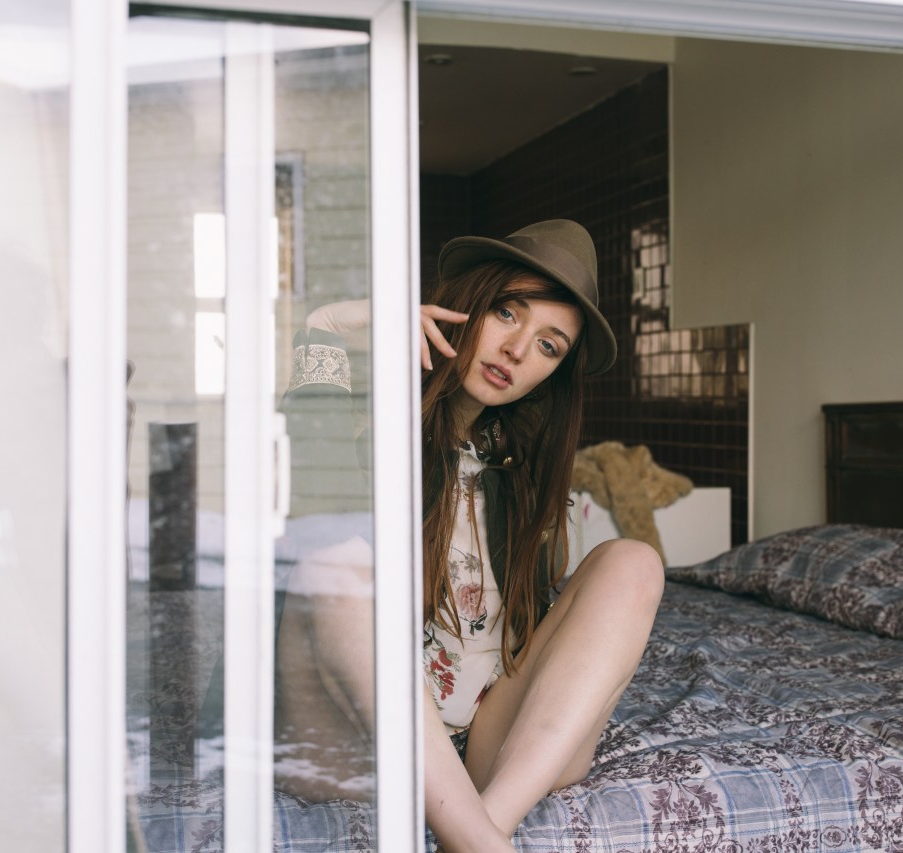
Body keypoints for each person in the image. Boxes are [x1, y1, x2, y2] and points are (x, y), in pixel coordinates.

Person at [275, 219, 665, 851]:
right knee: (334, 561)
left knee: (634, 561)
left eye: (549, 346)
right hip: (350, 739)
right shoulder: (366, 416)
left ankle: (481, 830)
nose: (517, 350)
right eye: (508, 313)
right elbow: (309, 514)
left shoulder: (518, 461)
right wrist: (325, 324)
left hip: (485, 747)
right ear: (465, 304)